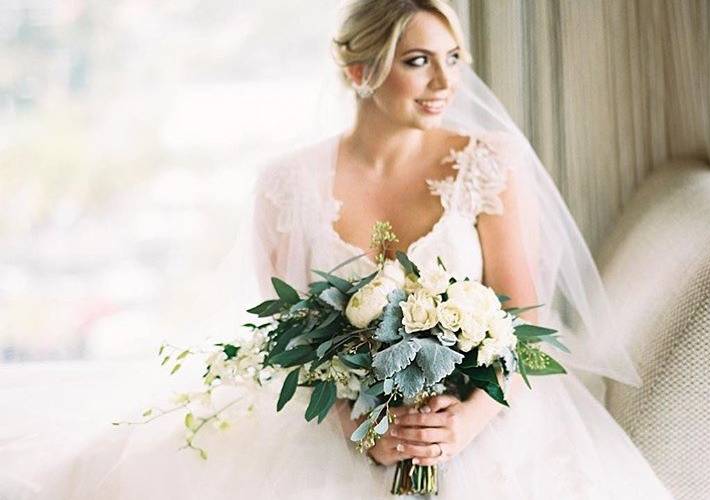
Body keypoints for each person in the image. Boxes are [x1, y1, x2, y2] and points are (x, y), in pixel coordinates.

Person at [1, 1, 674, 498]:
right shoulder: (287, 185)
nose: (445, 83)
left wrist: (464, 424)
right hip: (336, 418)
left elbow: (523, 317)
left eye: (452, 60)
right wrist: (360, 426)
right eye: (418, 61)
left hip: (478, 413)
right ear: (357, 69)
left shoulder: (487, 163)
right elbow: (288, 337)